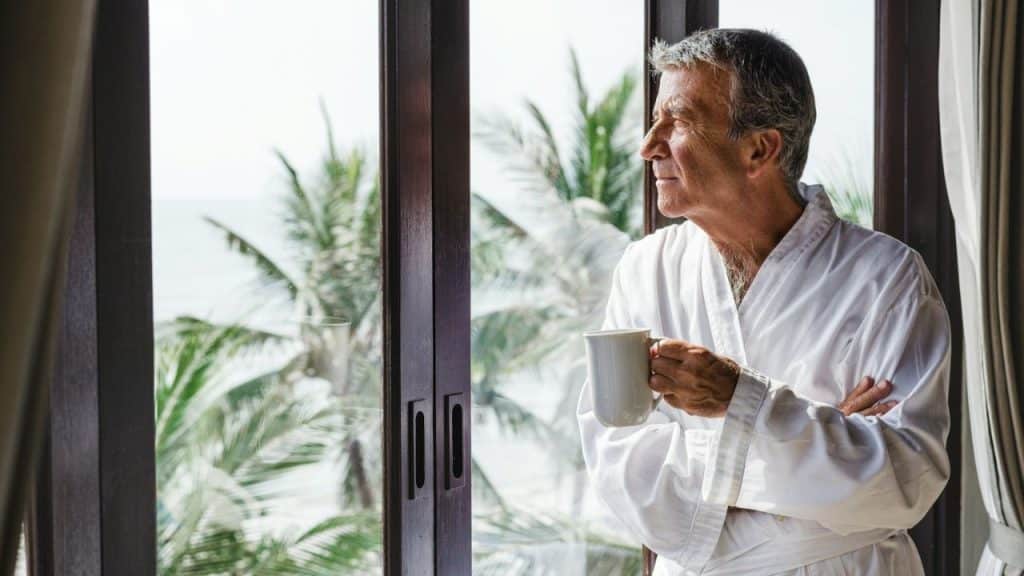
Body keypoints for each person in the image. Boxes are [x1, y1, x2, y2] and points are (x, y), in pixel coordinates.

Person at [576, 29, 951, 575]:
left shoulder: (886, 279)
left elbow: (901, 482)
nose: (648, 145)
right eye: (655, 119)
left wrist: (740, 400)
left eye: (677, 121)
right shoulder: (646, 269)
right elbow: (621, 467)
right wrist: (816, 438)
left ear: (759, 148)